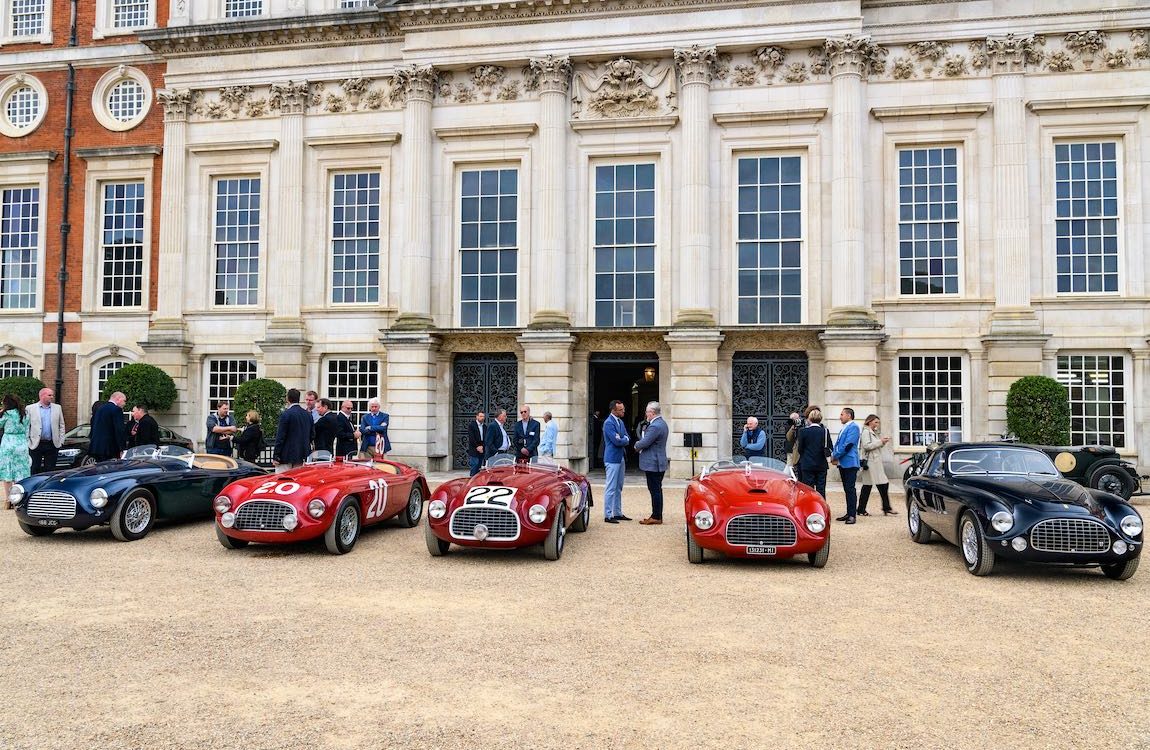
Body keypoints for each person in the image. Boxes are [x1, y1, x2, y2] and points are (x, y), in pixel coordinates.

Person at [633, 401, 668, 525]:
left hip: (654, 463)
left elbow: (645, 442)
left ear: (652, 413)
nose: (646, 414)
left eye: (647, 412)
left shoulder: (655, 426)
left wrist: (636, 445)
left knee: (655, 490)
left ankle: (656, 516)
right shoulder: (661, 423)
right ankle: (656, 515)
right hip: (657, 462)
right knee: (656, 489)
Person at [858, 414, 896, 516]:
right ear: (869, 422)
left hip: (875, 462)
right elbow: (866, 446)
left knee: (882, 484)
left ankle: (886, 507)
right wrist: (880, 442)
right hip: (870, 463)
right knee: (868, 486)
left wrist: (883, 442)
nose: (877, 424)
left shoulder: (873, 432)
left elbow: (876, 446)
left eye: (878, 422)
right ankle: (861, 509)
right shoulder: (866, 432)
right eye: (875, 422)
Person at [831, 407, 861, 524]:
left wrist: (836, 455)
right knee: (847, 489)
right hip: (843, 462)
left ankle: (852, 515)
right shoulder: (845, 427)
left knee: (850, 489)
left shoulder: (853, 427)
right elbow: (839, 443)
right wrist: (834, 454)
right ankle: (849, 512)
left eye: (842, 414)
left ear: (849, 415)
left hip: (850, 462)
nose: (840, 416)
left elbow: (848, 445)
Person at [602, 399, 631, 523]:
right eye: (621, 410)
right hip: (612, 458)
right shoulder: (608, 423)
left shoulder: (620, 422)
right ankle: (608, 515)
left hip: (620, 458)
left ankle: (617, 512)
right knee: (611, 487)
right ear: (613, 410)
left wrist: (623, 439)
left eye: (623, 409)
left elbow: (627, 437)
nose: (623, 411)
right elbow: (617, 441)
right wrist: (623, 439)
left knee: (619, 487)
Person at [0, 394, 31, 508]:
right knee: (21, 472)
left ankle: (9, 499)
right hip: (21, 442)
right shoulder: (25, 414)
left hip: (8, 442)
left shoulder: (6, 414)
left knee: (8, 471)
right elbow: (27, 429)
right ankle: (20, 498)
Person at [273, 388, 314, 473]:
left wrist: (276, 455)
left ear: (287, 399)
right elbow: (312, 435)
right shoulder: (308, 414)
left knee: (282, 480)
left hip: (286, 455)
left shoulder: (286, 414)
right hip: (302, 454)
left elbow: (280, 437)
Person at [25, 387, 65, 474]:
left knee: (50, 469)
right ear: (42, 396)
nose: (52, 397)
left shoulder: (57, 408)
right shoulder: (30, 408)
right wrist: (27, 441)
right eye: (49, 395)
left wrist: (61, 441)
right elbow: (27, 426)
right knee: (34, 468)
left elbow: (61, 425)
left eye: (52, 395)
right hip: (35, 444)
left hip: (52, 443)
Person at [795, 407, 831, 500]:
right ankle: (821, 509)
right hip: (821, 463)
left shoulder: (803, 431)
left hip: (807, 463)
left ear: (809, 418)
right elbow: (829, 446)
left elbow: (800, 449)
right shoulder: (825, 431)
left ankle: (809, 508)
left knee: (808, 488)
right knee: (821, 488)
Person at [90, 391, 128, 462]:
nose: (124, 404)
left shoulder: (100, 409)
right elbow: (119, 430)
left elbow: (93, 425)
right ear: (118, 399)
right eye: (124, 401)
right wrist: (122, 448)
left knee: (100, 470)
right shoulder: (116, 409)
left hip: (96, 447)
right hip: (109, 448)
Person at [466, 410, 486, 476]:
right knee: (475, 464)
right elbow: (471, 438)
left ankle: (477, 481)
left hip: (482, 448)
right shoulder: (472, 425)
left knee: (479, 466)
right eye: (480, 416)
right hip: (474, 448)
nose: (482, 418)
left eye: (483, 416)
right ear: (477, 417)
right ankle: (472, 479)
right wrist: (477, 446)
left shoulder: (485, 426)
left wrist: (482, 447)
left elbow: (485, 438)